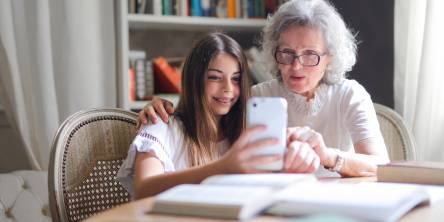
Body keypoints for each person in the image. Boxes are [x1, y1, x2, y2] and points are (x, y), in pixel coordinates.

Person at [137, 0, 390, 177]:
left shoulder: (350, 94)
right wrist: (161, 107)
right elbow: (205, 115)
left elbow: (381, 165)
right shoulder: (256, 97)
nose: (295, 66)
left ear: (330, 57)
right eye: (286, 53)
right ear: (273, 51)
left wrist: (327, 156)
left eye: (310, 55)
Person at [117, 33, 319, 199]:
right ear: (194, 80)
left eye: (236, 79)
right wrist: (222, 167)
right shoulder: (161, 124)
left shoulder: (245, 132)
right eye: (215, 77)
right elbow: (143, 188)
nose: (228, 89)